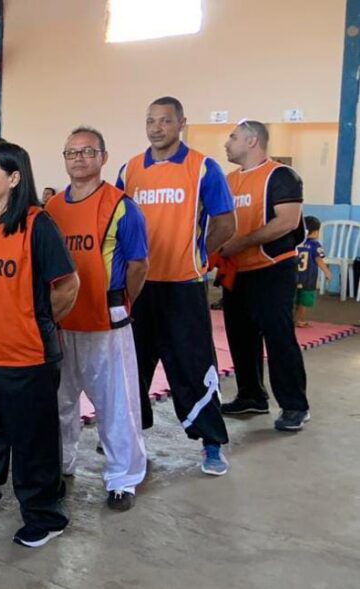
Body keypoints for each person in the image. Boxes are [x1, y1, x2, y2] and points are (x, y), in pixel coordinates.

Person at [0, 142, 78, 549]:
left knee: (32, 439)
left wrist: (32, 323)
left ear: (14, 178)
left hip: (24, 356)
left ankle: (44, 514)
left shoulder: (38, 225)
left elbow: (68, 285)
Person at [116, 96, 235, 475]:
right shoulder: (130, 170)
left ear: (181, 122)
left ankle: (212, 443)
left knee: (194, 363)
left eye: (165, 120)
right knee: (132, 365)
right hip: (139, 285)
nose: (156, 127)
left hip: (183, 284)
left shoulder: (203, 168)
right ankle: (131, 435)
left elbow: (225, 222)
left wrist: (197, 254)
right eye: (151, 120)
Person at [46, 127, 148, 511]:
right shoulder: (53, 209)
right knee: (60, 400)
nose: (79, 158)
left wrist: (120, 306)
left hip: (108, 316)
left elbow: (139, 265)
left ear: (103, 157)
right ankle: (60, 464)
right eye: (71, 152)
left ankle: (123, 477)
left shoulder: (122, 206)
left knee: (116, 403)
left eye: (88, 151)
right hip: (62, 320)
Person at [216, 120, 310, 431]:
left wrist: (241, 242)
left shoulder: (281, 175)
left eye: (233, 137)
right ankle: (252, 396)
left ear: (252, 141)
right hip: (237, 272)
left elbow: (286, 222)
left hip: (273, 268)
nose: (227, 143)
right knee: (240, 337)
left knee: (279, 337)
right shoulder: (228, 181)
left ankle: (295, 405)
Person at [294, 217, 331, 327]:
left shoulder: (295, 242)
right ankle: (300, 321)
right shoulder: (315, 245)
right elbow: (319, 260)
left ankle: (290, 319)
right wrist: (327, 272)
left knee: (293, 299)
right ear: (315, 232)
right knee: (304, 301)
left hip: (294, 277)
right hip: (308, 278)